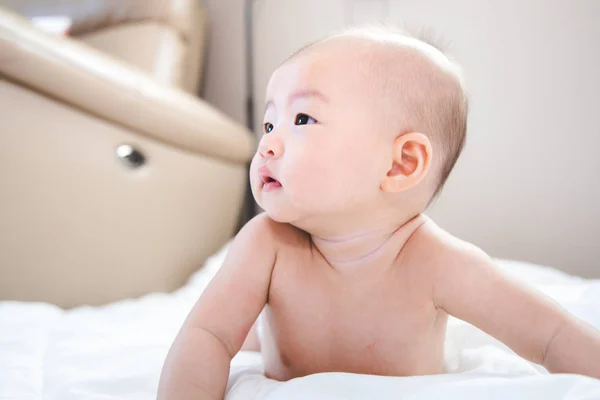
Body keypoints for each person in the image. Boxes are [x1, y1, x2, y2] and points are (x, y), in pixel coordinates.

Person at [158, 26, 600, 400]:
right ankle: (260, 329)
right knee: (246, 326)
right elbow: (209, 337)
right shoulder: (266, 243)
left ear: (401, 164)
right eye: (270, 124)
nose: (267, 145)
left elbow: (552, 336)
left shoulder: (440, 264)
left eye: (303, 119)